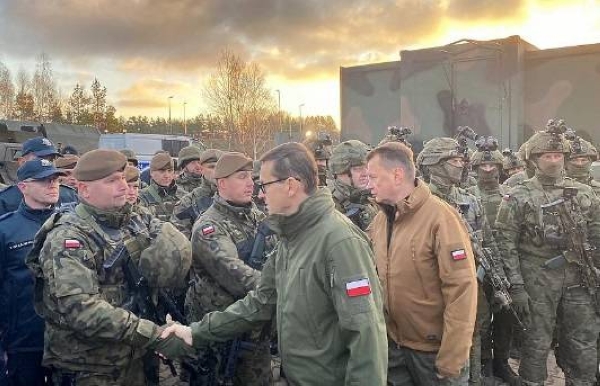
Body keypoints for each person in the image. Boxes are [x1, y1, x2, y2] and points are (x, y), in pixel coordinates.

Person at [162, 142, 388, 386]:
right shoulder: (292, 236)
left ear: (290, 185)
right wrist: (194, 332)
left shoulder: (340, 241)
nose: (260, 193)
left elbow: (367, 337)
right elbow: (260, 302)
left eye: (265, 185)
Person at [25, 149, 193, 386]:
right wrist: (153, 334)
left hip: (135, 357)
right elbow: (81, 309)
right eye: (112, 181)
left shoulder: (133, 218)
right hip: (91, 368)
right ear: (84, 190)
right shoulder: (68, 237)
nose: (123, 186)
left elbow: (173, 245)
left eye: (123, 178)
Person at [495, 125, 600, 386]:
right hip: (537, 278)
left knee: (582, 340)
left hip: (579, 278)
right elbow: (505, 242)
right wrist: (517, 286)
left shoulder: (584, 193)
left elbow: (597, 235)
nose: (554, 161)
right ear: (534, 159)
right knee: (536, 340)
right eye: (547, 156)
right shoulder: (518, 195)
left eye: (558, 155)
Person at [366, 141, 477, 385]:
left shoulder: (440, 218)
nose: (369, 184)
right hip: (395, 349)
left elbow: (462, 290)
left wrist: (452, 358)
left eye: (374, 177)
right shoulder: (380, 221)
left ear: (397, 175)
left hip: (433, 354)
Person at [185, 152, 273, 385]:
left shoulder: (256, 215)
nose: (250, 182)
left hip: (254, 328)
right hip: (221, 332)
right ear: (222, 183)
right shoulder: (209, 226)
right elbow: (234, 273)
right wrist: (279, 288)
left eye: (251, 177)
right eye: (242, 177)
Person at [0, 159, 67, 386]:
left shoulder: (71, 224)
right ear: (23, 187)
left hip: (69, 339)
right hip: (25, 340)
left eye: (56, 179)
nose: (53, 185)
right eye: (44, 180)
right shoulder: (5, 230)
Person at [468, 138, 519, 384]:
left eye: (492, 168)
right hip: (476, 267)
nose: (488, 171)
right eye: (482, 168)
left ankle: (501, 361)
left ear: (500, 168)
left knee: (506, 317)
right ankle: (483, 364)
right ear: (475, 170)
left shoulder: (510, 195)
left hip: (506, 265)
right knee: (479, 319)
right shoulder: (468, 196)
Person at [0, 137, 78, 215]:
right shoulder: (5, 199)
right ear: (22, 162)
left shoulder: (69, 195)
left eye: (51, 160)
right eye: (40, 159)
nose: (46, 163)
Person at [170, 149, 223, 238]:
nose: (216, 171)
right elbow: (180, 243)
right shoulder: (187, 203)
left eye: (220, 167)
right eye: (212, 167)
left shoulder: (238, 199)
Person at [328, 140, 378, 230]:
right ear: (341, 171)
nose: (365, 173)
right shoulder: (329, 207)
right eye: (358, 169)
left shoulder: (371, 200)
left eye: (367, 167)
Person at [139, 152, 184, 221]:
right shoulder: (142, 197)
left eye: (170, 171)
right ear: (151, 172)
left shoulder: (183, 195)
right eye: (162, 171)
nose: (167, 175)